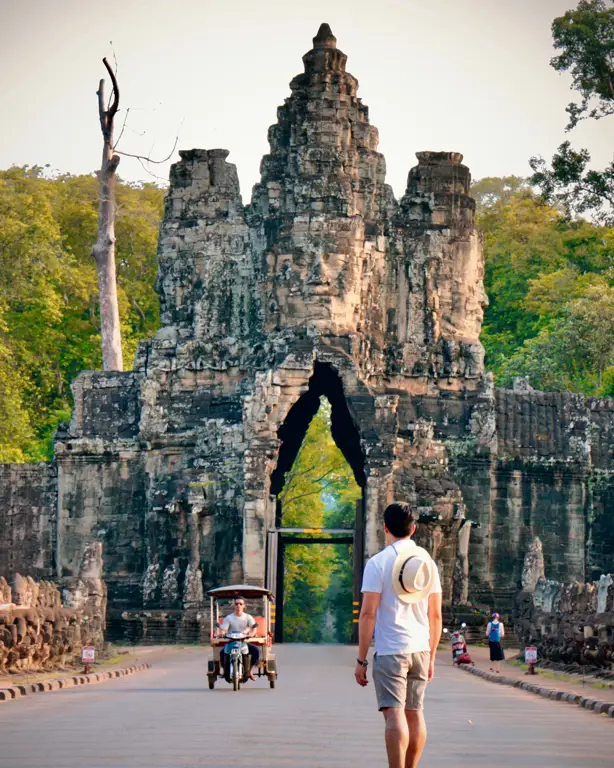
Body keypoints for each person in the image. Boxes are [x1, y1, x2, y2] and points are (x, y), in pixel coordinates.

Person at [355, 502, 442, 768]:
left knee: (394, 715)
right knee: (415, 714)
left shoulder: (378, 563)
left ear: (385, 528)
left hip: (391, 650)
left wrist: (361, 659)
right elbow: (435, 616)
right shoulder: (428, 563)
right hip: (420, 649)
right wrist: (432, 657)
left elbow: (368, 614)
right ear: (413, 529)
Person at [217, 596, 260, 680]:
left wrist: (251, 634)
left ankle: (250, 670)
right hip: (231, 641)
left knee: (256, 651)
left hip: (244, 642)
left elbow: (254, 627)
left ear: (244, 606)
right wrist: (222, 633)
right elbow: (224, 629)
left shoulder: (248, 617)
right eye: (236, 604)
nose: (238, 606)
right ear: (234, 605)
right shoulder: (229, 617)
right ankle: (224, 670)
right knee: (222, 653)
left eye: (241, 604)